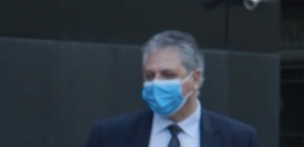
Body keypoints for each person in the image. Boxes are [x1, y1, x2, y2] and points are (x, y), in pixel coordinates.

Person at [85, 30, 261, 147]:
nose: (156, 83)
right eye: (149, 76)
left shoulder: (238, 139)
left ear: (195, 78)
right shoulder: (109, 136)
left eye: (168, 75)